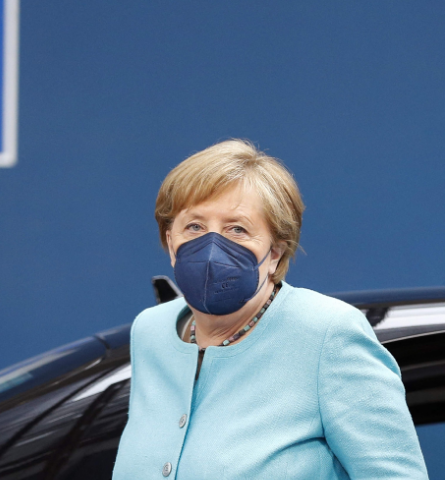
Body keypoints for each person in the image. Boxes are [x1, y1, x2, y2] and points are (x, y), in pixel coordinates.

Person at [112, 139, 428, 479]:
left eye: (237, 229)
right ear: (169, 237)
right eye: (195, 226)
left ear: (275, 251)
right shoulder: (151, 332)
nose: (211, 247)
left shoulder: (327, 334)